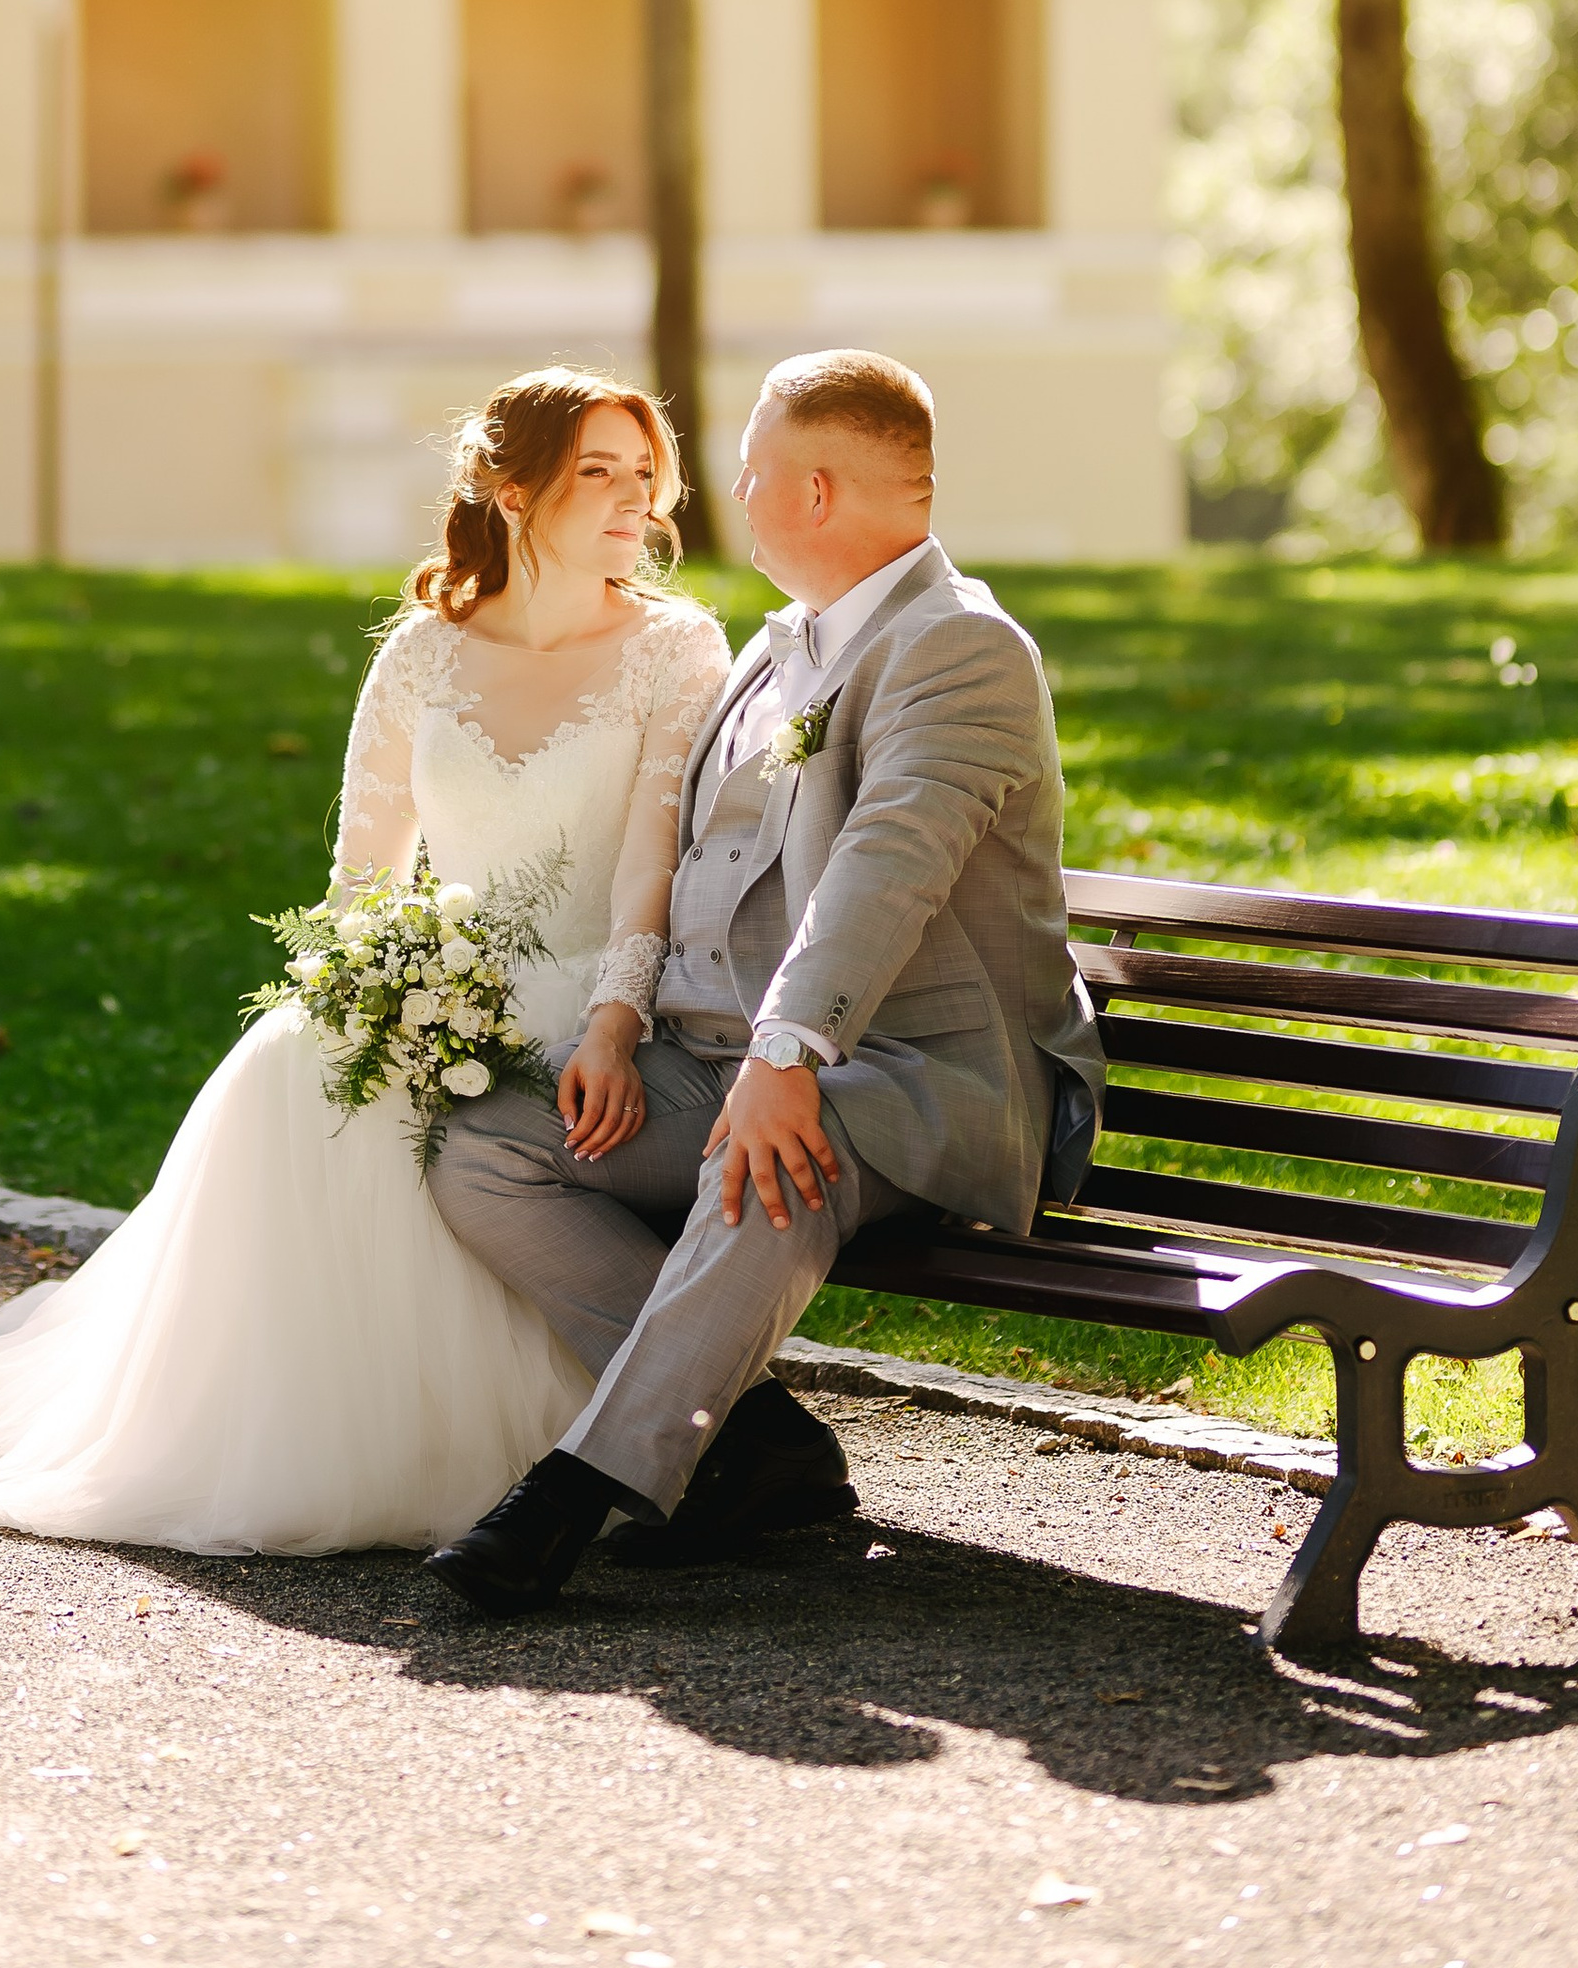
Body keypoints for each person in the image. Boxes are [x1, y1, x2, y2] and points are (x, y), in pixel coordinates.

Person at [0, 368, 729, 1556]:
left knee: (440, 1116)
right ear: (513, 488)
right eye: (596, 470)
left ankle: (602, 1435)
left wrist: (608, 1019)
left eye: (642, 472)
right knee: (299, 1066)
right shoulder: (422, 653)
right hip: (437, 978)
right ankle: (302, 1426)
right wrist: (374, 989)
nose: (630, 498)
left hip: (596, 992)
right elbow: (359, 877)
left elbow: (651, 865)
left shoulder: (672, 646)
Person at [424, 346, 1103, 1618]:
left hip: (920, 1077)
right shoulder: (776, 646)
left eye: (748, 465)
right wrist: (623, 1030)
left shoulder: (958, 649)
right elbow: (691, 857)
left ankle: (577, 1488)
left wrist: (786, 1054)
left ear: (814, 492)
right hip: (719, 1059)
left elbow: (886, 866)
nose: (726, 486)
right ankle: (754, 1443)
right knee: (487, 1146)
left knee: (774, 1152)